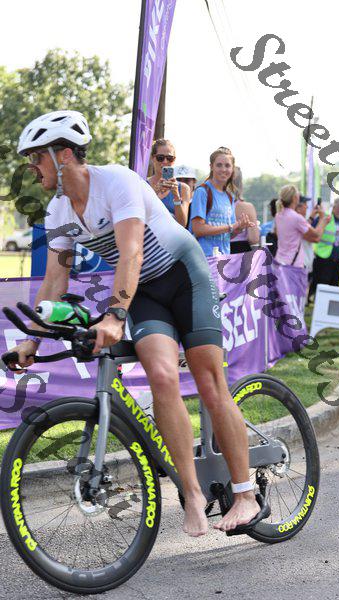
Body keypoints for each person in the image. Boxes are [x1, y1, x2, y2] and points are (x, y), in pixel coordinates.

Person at [8, 110, 265, 538]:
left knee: (208, 382)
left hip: (184, 276)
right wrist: (29, 342)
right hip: (144, 293)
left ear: (63, 154)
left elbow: (131, 253)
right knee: (161, 376)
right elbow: (54, 280)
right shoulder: (58, 212)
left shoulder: (117, 182)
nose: (32, 168)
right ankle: (192, 493)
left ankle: (245, 494)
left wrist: (114, 315)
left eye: (36, 157)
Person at [190, 147, 255, 256]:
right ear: (211, 167)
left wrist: (239, 228)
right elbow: (198, 229)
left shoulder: (229, 196)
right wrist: (231, 227)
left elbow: (228, 235)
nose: (223, 169)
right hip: (203, 258)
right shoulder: (202, 192)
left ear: (232, 169)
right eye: (219, 165)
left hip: (223, 259)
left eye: (227, 165)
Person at [308, 196, 339, 300]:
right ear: (334, 207)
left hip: (336, 260)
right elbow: (310, 231)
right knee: (320, 285)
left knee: (334, 288)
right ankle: (313, 302)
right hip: (323, 258)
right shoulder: (325, 217)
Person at [275, 185, 330, 267]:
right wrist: (323, 220)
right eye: (305, 204)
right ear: (294, 198)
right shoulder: (296, 218)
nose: (307, 207)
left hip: (280, 261)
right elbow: (316, 235)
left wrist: (312, 216)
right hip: (294, 266)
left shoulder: (279, 215)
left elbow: (300, 228)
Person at [148, 139, 190, 227]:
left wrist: (176, 196)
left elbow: (182, 224)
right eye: (160, 158)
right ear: (152, 158)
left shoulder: (183, 188)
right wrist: (154, 192)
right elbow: (139, 216)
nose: (165, 161)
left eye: (169, 158)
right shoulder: (143, 185)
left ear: (174, 160)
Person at [230, 166, 260, 254]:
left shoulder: (213, 205)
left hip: (218, 250)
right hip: (241, 252)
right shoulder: (247, 207)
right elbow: (254, 239)